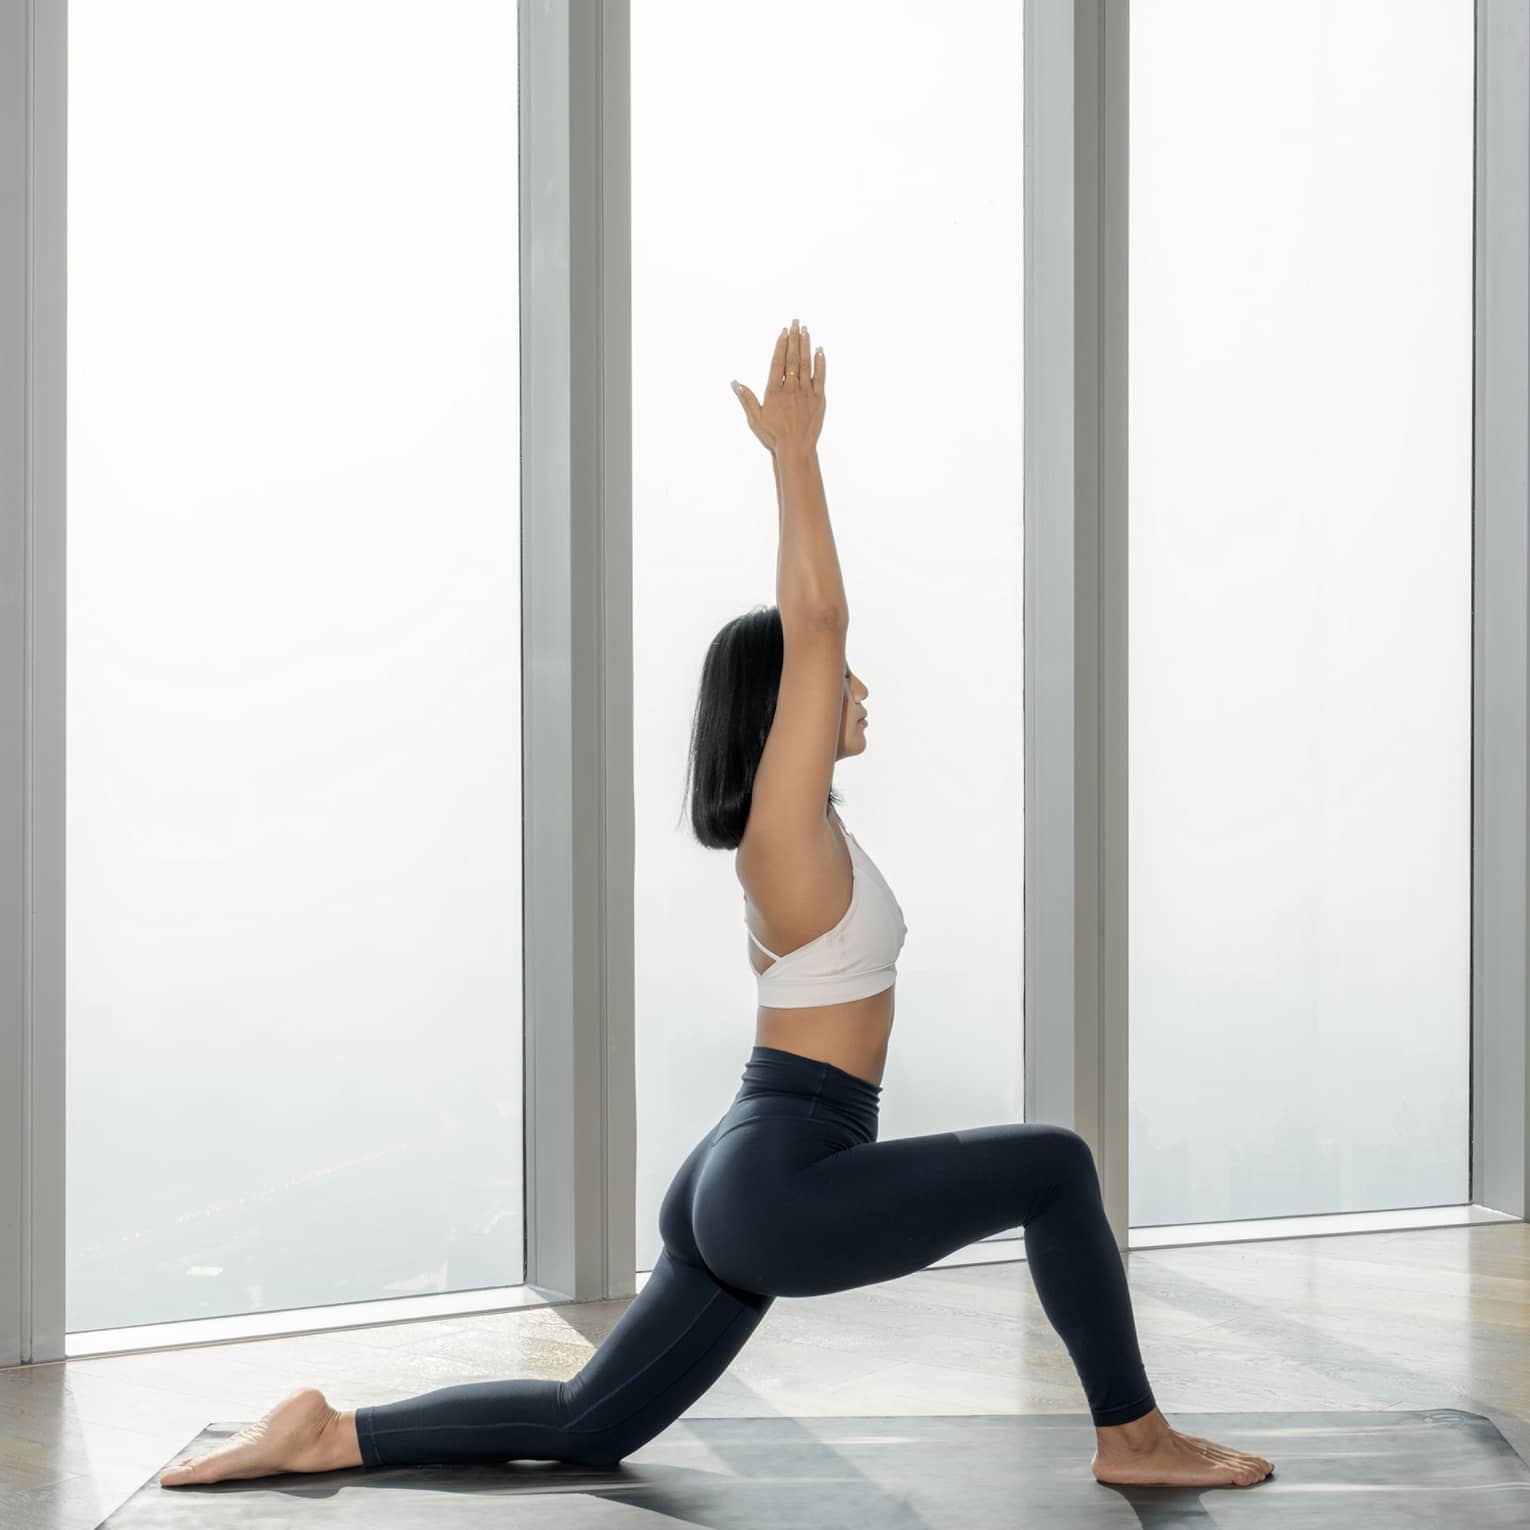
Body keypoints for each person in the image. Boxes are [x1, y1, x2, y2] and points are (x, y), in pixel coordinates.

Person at [161, 318, 1273, 1492]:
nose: (858, 689)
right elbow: (818, 625)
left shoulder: (810, 836)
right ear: (783, 705)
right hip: (782, 1175)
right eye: (834, 683)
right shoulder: (782, 842)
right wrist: (796, 456)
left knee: (588, 1422)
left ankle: (330, 1432)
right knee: (1055, 1164)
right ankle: (1133, 1439)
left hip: (750, 1166)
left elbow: (818, 650)